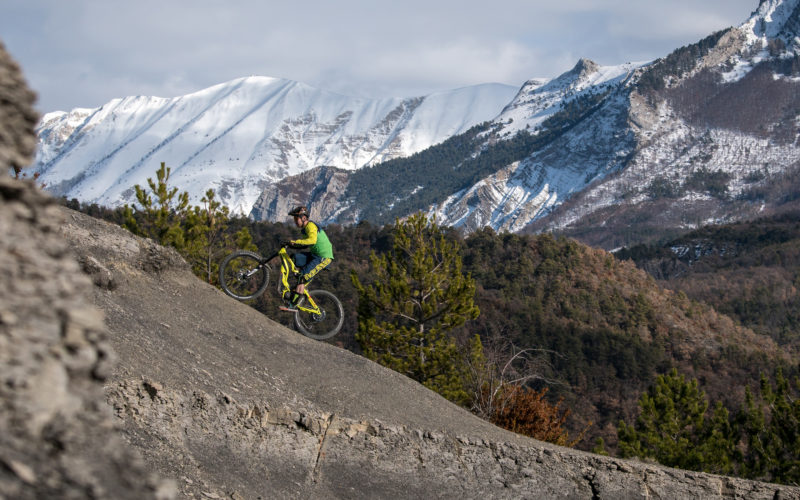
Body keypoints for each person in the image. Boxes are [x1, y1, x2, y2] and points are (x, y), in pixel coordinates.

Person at [282, 205, 334, 308]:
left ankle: (292, 305)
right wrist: (290, 244)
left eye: (296, 218)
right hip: (314, 255)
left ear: (304, 218)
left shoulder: (310, 226)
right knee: (294, 258)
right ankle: (298, 286)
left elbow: (312, 240)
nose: (295, 221)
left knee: (302, 278)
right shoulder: (304, 229)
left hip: (324, 257)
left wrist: (295, 242)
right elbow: (305, 244)